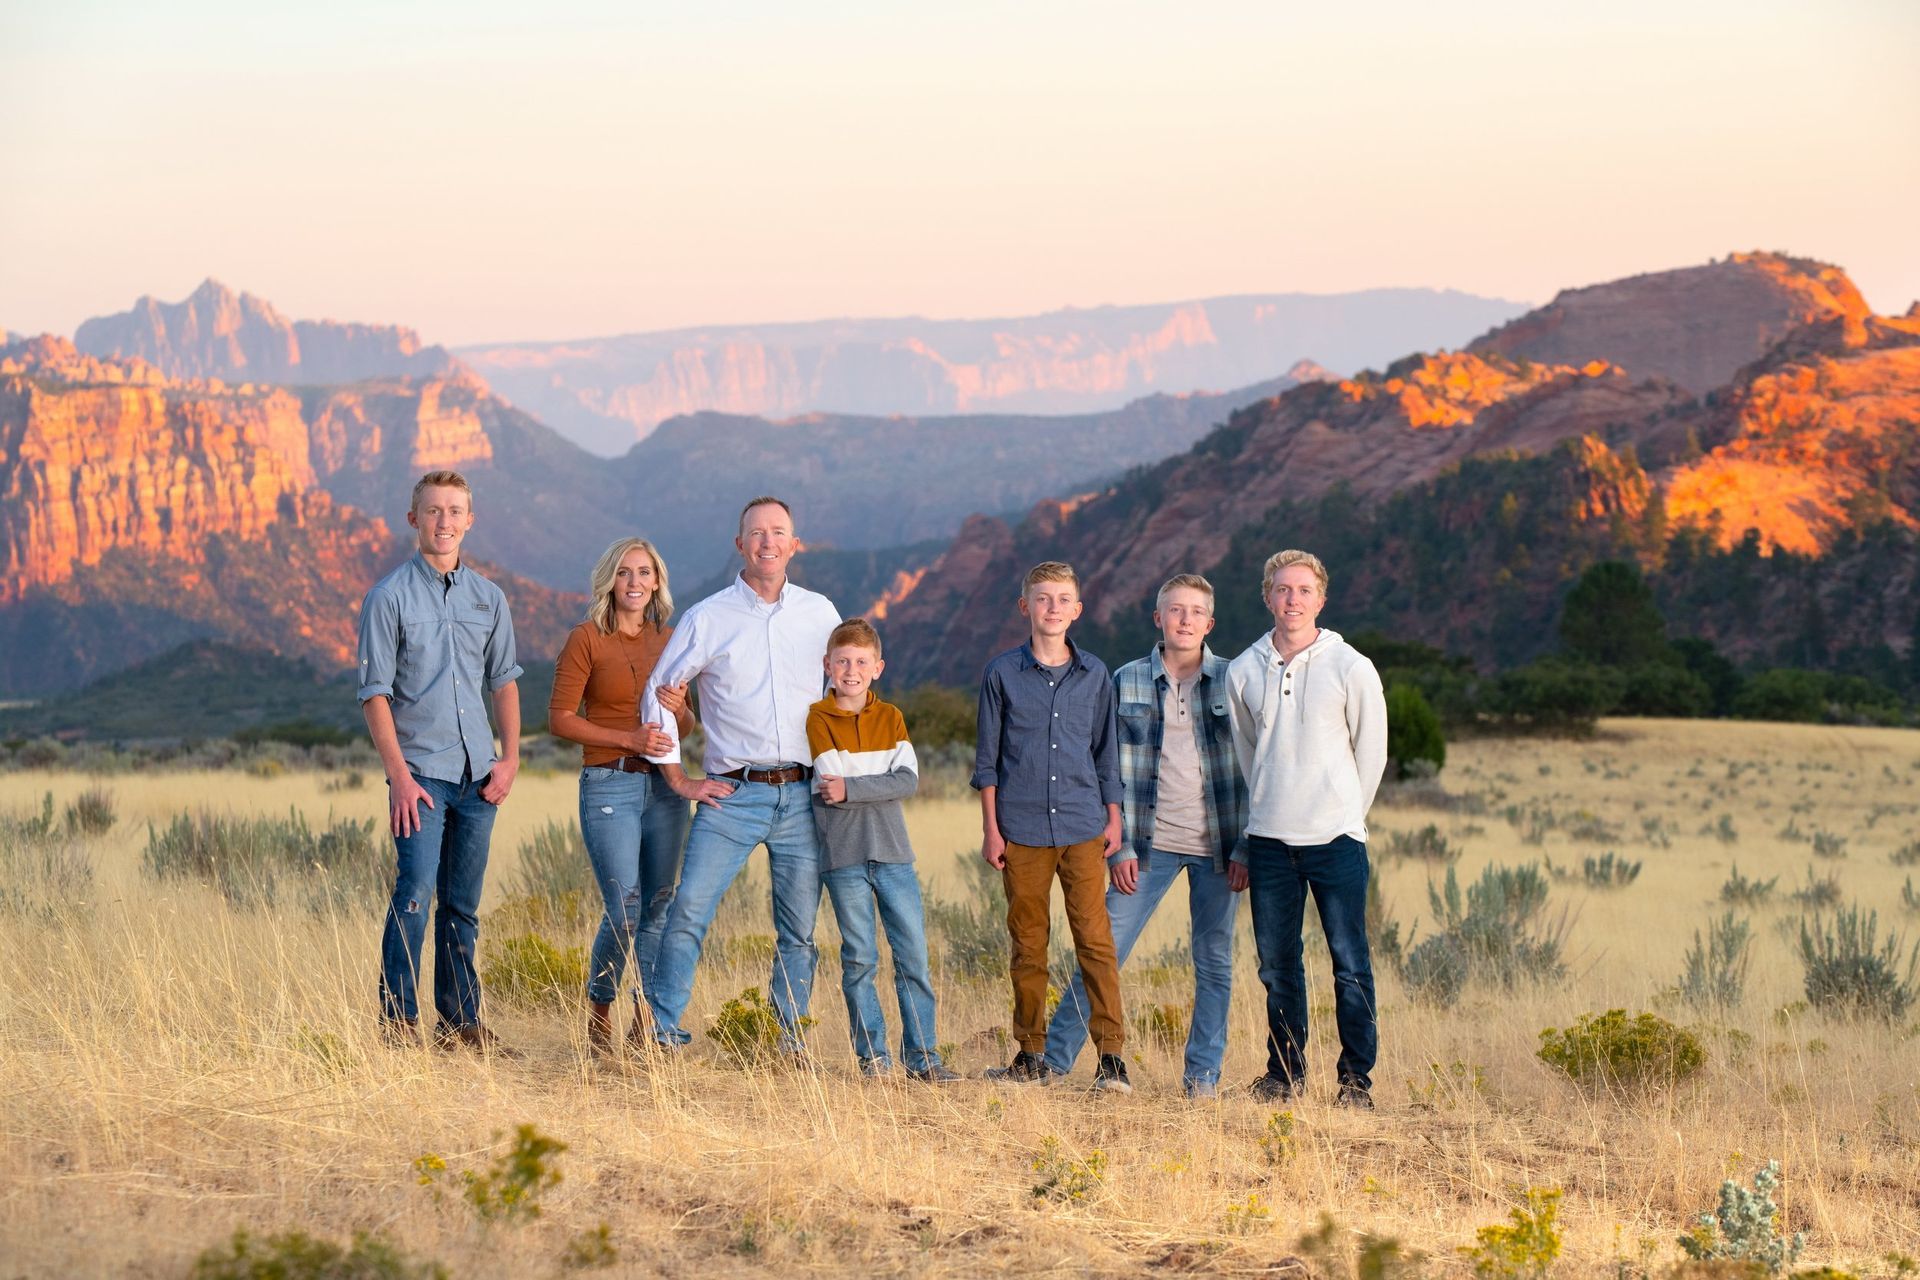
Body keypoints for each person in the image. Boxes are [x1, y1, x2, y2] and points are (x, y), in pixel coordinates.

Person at [641, 496, 840, 1054]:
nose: (768, 542)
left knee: (798, 931)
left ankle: (787, 1044)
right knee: (688, 915)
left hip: (804, 795)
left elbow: (844, 694)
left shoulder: (821, 613)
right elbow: (657, 694)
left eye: (779, 532)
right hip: (732, 795)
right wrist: (679, 778)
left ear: (795, 544)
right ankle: (661, 1036)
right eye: (757, 533)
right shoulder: (708, 617)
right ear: (740, 544)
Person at [1043, 574, 1249, 1098]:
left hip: (1220, 850)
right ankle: (1053, 1061)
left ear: (1210, 623)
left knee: (1215, 963)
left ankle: (1201, 1079)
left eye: (1195, 612)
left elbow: (1257, 766)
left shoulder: (1236, 679)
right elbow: (1105, 766)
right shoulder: (1126, 679)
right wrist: (1121, 845)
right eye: (1174, 610)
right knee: (1103, 950)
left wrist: (1245, 846)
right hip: (1146, 847)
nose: (1184, 619)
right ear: (1158, 618)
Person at [357, 470, 523, 1054]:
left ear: (469, 520)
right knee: (414, 895)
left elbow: (503, 681)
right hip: (421, 776)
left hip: (479, 777)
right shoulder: (388, 598)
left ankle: (461, 1026)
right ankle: (398, 1027)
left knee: (463, 905)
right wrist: (399, 778)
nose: (444, 521)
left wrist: (511, 759)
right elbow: (375, 693)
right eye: (433, 511)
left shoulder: (489, 598)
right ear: (414, 519)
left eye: (455, 511)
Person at [1225, 549, 1387, 1108]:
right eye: (1282, 589)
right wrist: (1264, 812)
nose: (1292, 600)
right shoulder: (1243, 670)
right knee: (1277, 966)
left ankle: (1355, 1083)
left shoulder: (1351, 666)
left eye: (1303, 590)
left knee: (1349, 964)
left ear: (1321, 598)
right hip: (1270, 842)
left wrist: (1345, 815)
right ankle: (1284, 1076)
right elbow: (1249, 753)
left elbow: (1372, 750)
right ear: (1267, 596)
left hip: (1336, 841)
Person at [972, 561, 1129, 1091]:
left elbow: (1107, 754)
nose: (1053, 608)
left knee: (1094, 940)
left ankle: (1111, 1058)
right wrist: (992, 830)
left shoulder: (1096, 675)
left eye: (1063, 599)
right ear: (1026, 607)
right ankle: (1030, 1054)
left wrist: (1114, 818)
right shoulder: (1001, 674)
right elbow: (988, 762)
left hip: (1085, 827)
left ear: (1077, 610)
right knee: (1028, 944)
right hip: (1021, 832)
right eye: (1042, 598)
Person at [547, 537, 694, 1057]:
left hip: (666, 788)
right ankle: (599, 1007)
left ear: (657, 582)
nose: (634, 582)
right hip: (610, 784)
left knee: (659, 902)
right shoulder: (585, 639)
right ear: (609, 579)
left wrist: (678, 710)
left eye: (644, 573)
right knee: (626, 906)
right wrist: (628, 739)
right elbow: (561, 719)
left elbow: (688, 726)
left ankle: (647, 1023)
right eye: (625, 572)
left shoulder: (673, 639)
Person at [806, 618, 961, 1083]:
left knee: (912, 957)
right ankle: (873, 1060)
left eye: (861, 662)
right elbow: (828, 784)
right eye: (843, 661)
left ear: (878, 667)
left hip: (894, 855)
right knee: (859, 960)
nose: (851, 670)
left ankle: (923, 1058)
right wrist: (872, 784)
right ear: (827, 666)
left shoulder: (891, 717)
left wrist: (853, 786)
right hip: (844, 857)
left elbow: (907, 780)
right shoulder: (818, 717)